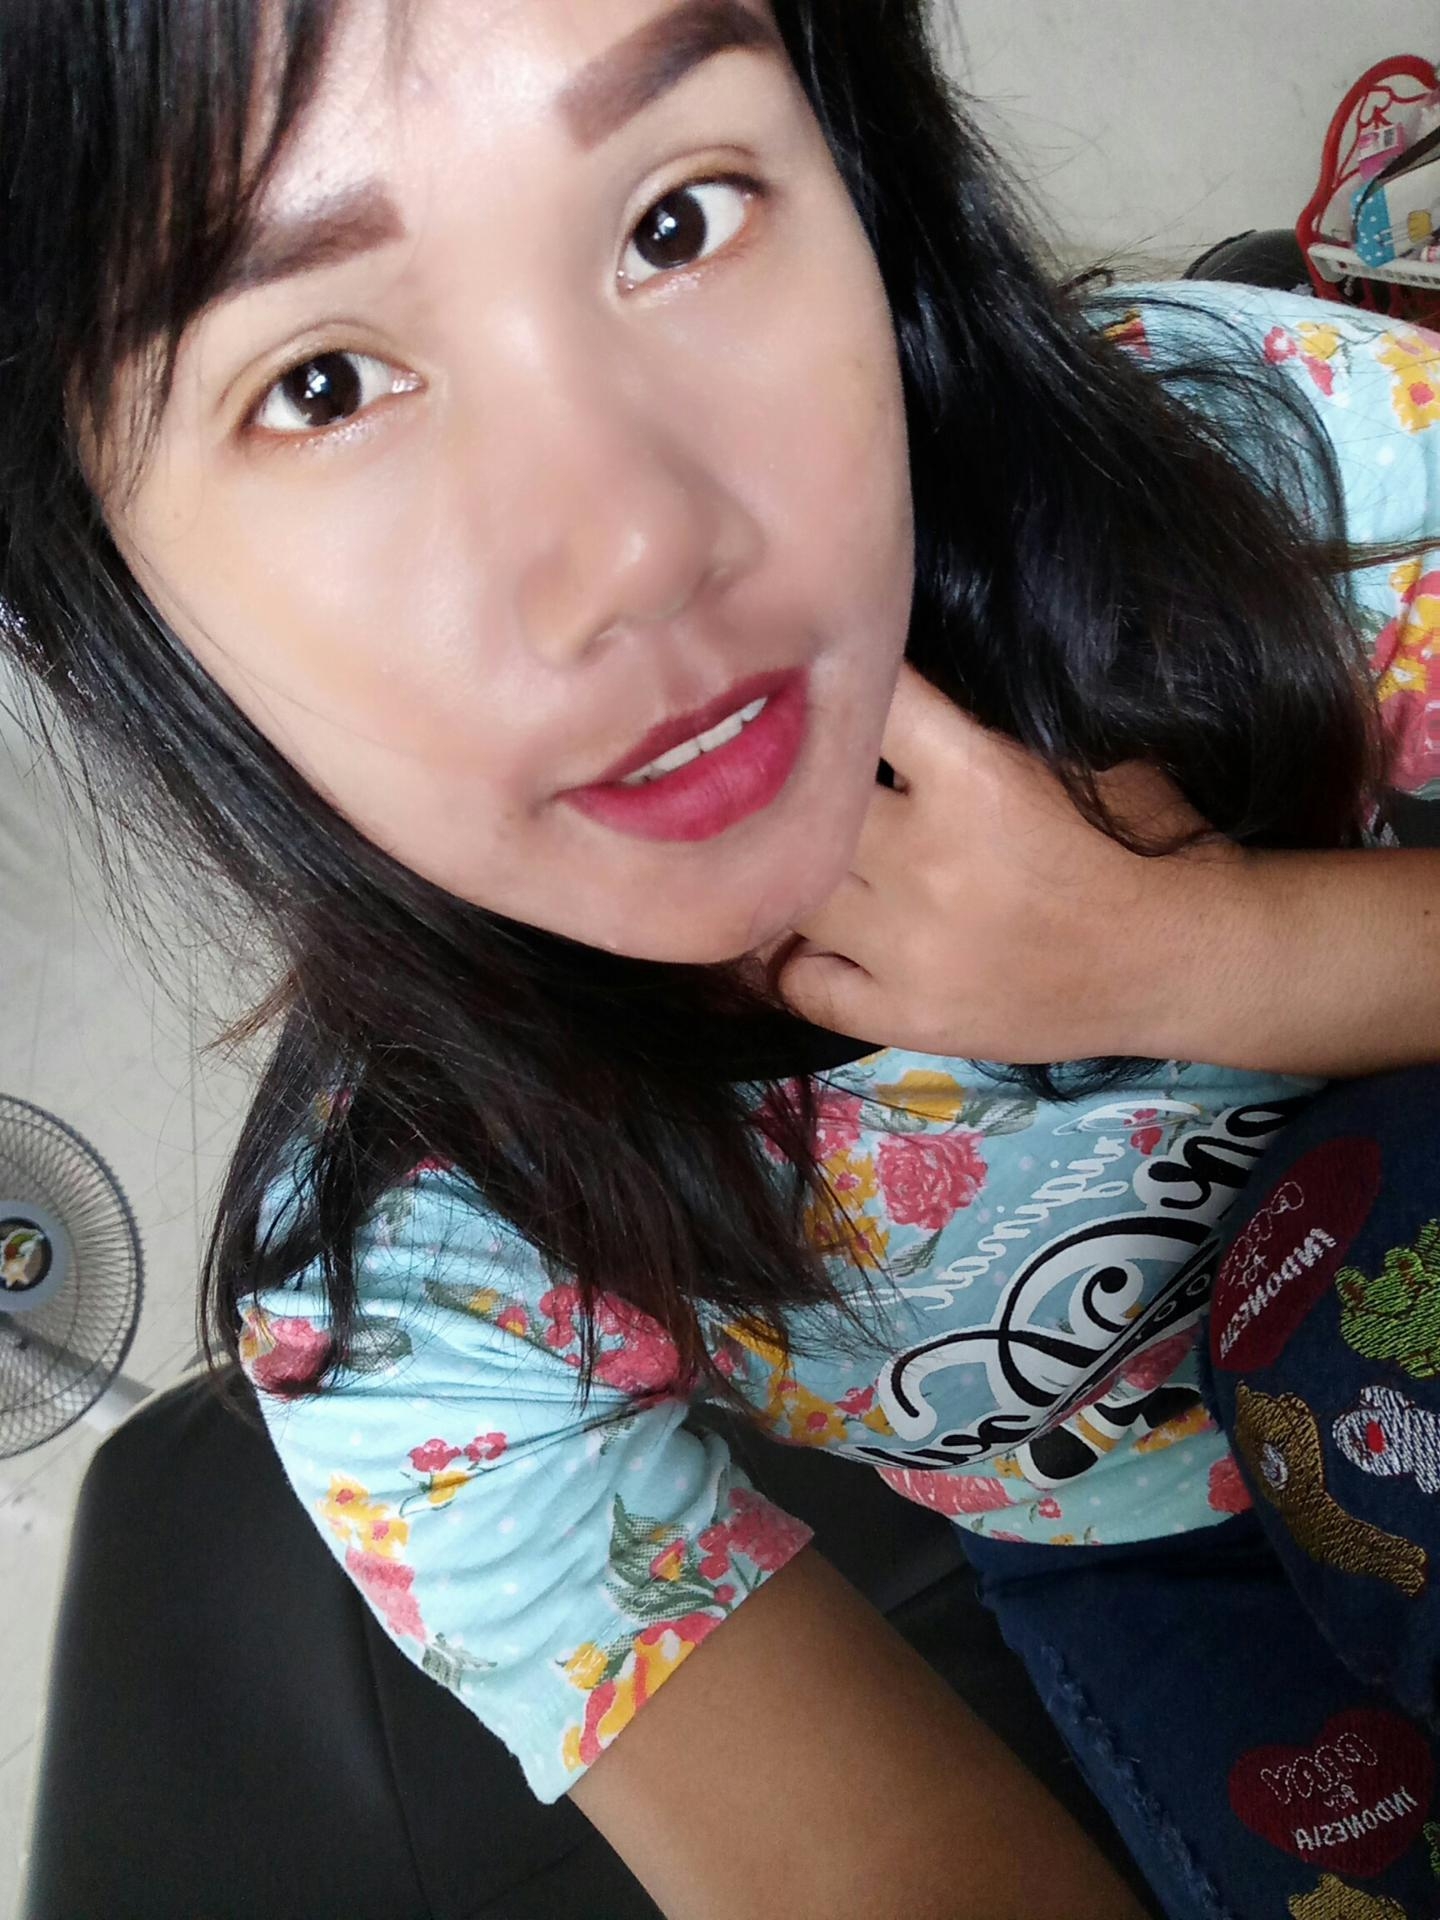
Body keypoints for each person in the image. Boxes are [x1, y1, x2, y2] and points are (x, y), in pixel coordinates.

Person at [4, 0, 1440, 1912]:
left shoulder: (1261, 467)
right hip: (1123, 1549)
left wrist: (1194, 955)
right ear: (110, 591)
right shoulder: (407, 1289)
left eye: (674, 222)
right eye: (324, 384)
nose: (641, 547)